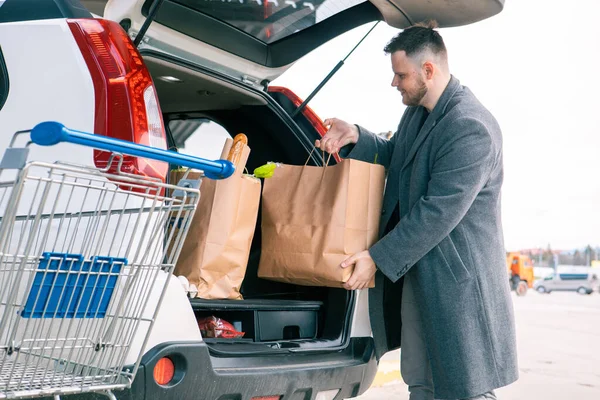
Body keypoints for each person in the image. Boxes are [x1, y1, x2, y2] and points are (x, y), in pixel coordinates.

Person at [315, 22, 518, 400]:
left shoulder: (470, 126)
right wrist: (358, 135)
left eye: (400, 74)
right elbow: (399, 156)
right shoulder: (419, 113)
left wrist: (376, 258)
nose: (394, 83)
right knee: (420, 382)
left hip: (458, 284)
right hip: (419, 271)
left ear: (429, 70)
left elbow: (437, 211)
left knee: (464, 388)